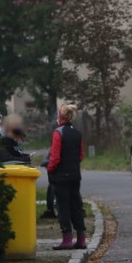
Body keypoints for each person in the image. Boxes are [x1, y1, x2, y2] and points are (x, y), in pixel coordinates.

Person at [47, 104, 87, 250]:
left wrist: (50, 169)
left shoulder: (58, 133)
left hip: (61, 176)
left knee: (63, 207)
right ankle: (81, 237)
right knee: (76, 205)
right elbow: (81, 155)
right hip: (75, 175)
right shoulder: (77, 133)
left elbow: (55, 157)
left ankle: (67, 238)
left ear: (60, 116)